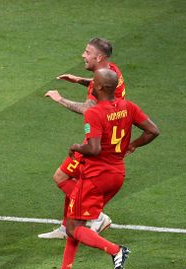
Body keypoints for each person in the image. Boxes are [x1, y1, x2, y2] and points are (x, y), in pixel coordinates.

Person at [53, 68, 159, 269]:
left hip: (95, 175)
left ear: (99, 87)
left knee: (73, 228)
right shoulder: (128, 106)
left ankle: (115, 250)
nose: (91, 83)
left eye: (94, 82)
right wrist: (133, 145)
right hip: (117, 174)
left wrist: (76, 147)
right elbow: (153, 130)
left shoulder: (94, 112)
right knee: (77, 220)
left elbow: (94, 149)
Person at [40, 37, 126, 240]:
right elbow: (101, 85)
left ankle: (96, 216)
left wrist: (59, 98)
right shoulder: (113, 71)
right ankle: (65, 226)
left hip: (98, 143)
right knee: (74, 179)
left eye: (87, 52)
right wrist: (79, 80)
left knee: (61, 177)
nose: (83, 55)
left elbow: (87, 109)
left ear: (99, 57)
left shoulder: (101, 77)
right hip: (112, 140)